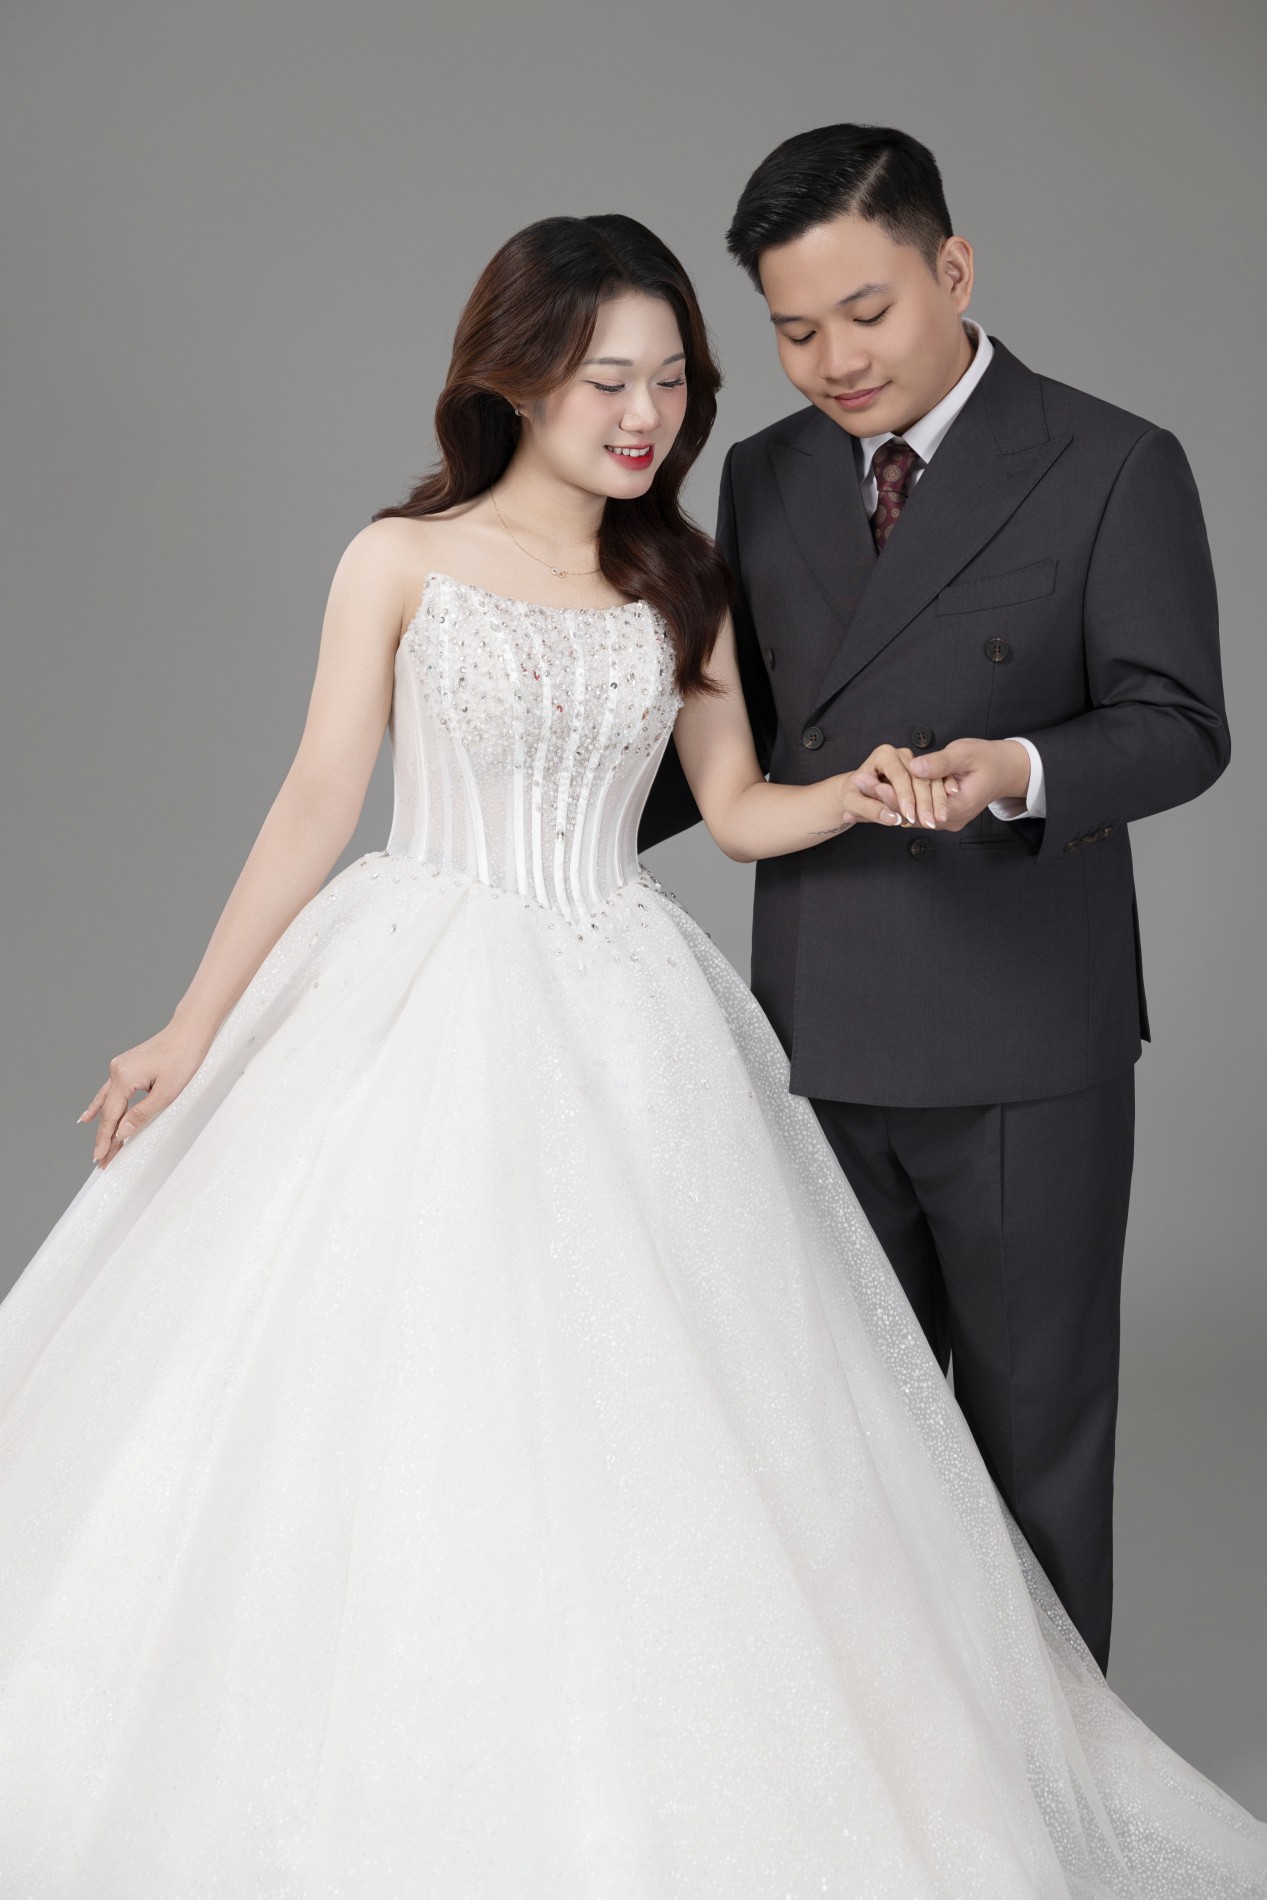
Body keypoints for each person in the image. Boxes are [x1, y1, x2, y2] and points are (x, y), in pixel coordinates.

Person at [0, 212, 1262, 1898]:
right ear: (517, 378)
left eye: (673, 381)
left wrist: (875, 788)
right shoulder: (397, 558)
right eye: (608, 380)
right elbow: (315, 803)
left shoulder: (684, 578)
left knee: (669, 1405)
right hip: (418, 984)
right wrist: (191, 1023)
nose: (646, 416)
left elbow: (737, 810)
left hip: (628, 1003)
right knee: (388, 1380)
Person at [638, 123, 1231, 1680]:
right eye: (794, 330)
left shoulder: (1111, 462)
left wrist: (1017, 769)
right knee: (843, 1437)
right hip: (819, 1035)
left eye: (868, 311)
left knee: (1033, 1436)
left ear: (953, 271)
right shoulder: (765, 475)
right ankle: (903, 1774)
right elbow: (744, 737)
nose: (834, 361)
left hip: (1023, 1034)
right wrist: (543, 796)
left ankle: (1048, 1777)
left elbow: (1181, 725)